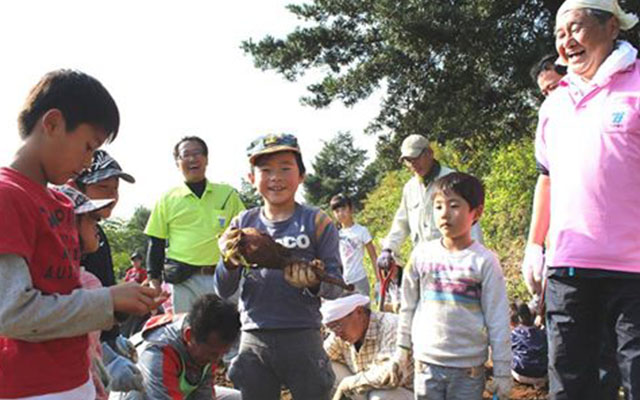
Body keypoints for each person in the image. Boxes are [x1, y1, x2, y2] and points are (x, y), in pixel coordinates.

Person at [0, 69, 162, 398]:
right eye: (88, 146)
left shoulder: (61, 201)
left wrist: (90, 370)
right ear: (53, 123)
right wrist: (108, 300)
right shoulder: (8, 197)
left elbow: (66, 293)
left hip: (75, 381)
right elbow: (12, 312)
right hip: (31, 388)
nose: (88, 162)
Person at [521, 1, 640, 398]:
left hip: (634, 269)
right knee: (570, 384)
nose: (565, 42)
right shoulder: (554, 103)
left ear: (611, 27)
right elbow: (547, 179)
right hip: (570, 268)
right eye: (558, 34)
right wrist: (534, 246)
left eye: (575, 28)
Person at [214, 133, 343, 400]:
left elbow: (336, 286)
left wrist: (313, 282)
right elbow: (223, 289)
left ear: (301, 175)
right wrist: (229, 260)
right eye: (265, 170)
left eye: (286, 168)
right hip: (254, 336)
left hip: (303, 335)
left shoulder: (317, 221)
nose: (276, 177)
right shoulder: (242, 223)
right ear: (252, 178)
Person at [394, 172, 512, 400]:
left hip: (468, 370)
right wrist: (402, 349)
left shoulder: (484, 262)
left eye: (454, 205)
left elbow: (498, 320)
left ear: (476, 212)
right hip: (426, 364)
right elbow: (407, 305)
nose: (445, 214)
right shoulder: (421, 254)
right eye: (438, 206)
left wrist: (502, 372)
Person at [57, 184, 144, 400]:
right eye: (92, 219)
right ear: (68, 226)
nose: (98, 225)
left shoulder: (41, 280)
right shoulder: (86, 283)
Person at [145, 136, 245, 313]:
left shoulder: (227, 194)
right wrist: (154, 280)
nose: (192, 159)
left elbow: (244, 233)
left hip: (225, 276)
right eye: (185, 155)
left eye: (197, 153)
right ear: (178, 162)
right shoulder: (167, 199)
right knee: (187, 333)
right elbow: (156, 242)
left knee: (230, 334)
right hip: (184, 281)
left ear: (206, 159)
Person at [376, 135, 482, 272]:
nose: (413, 164)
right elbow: (401, 222)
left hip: (453, 261)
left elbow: (470, 221)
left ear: (430, 153)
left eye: (416, 158)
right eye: (408, 161)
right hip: (423, 263)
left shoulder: (453, 180)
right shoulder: (410, 188)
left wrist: (475, 258)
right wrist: (388, 248)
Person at [113, 294, 242, 400]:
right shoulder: (158, 351)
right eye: (213, 354)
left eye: (222, 353)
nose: (217, 360)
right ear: (189, 335)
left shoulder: (207, 342)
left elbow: (204, 394)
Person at [321, 294, 413, 400]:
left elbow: (391, 374)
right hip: (369, 388)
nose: (337, 334)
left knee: (381, 397)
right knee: (325, 367)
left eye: (337, 325)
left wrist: (348, 383)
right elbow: (319, 358)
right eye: (331, 329)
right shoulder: (340, 334)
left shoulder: (391, 326)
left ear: (359, 312)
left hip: (405, 391)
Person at [330, 193, 378, 296]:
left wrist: (379, 280)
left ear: (351, 209)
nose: (340, 213)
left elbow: (373, 257)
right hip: (341, 282)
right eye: (337, 211)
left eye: (343, 209)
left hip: (359, 279)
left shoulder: (361, 231)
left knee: (364, 311)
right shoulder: (334, 234)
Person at [510, 301, 548, 387]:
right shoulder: (543, 333)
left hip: (521, 375)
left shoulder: (514, 334)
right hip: (542, 375)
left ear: (519, 318)